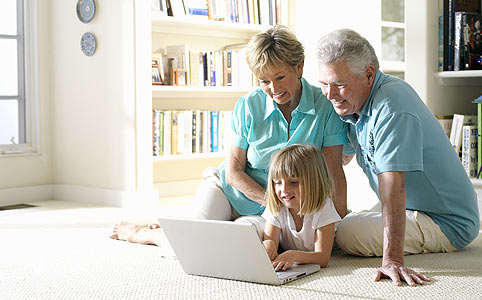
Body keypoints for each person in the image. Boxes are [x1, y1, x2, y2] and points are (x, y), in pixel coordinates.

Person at [110, 25, 348, 245]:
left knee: (238, 246)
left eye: (280, 77)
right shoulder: (248, 105)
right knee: (191, 243)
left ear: (299, 67)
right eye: (264, 81)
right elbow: (233, 172)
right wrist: (272, 202)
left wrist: (336, 225)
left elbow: (333, 172)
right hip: (229, 190)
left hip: (277, 208)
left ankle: (180, 227)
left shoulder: (324, 107)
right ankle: (146, 233)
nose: (274, 89)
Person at [316, 28, 480, 287]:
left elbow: (393, 184)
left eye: (339, 84)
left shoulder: (392, 106)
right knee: (331, 224)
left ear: (369, 74)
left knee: (345, 233)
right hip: (412, 208)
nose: (330, 94)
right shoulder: (353, 106)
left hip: (446, 221)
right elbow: (338, 160)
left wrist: (392, 259)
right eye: (323, 84)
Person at [262, 144, 341, 271]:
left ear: (314, 182)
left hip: (335, 244)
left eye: (293, 182)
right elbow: (270, 241)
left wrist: (293, 255)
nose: (284, 190)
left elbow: (323, 258)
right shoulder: (278, 206)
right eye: (277, 183)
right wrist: (268, 245)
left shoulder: (323, 206)